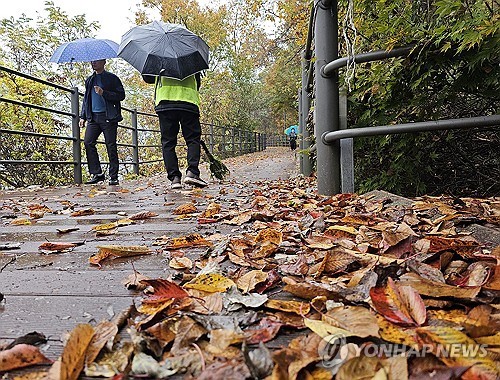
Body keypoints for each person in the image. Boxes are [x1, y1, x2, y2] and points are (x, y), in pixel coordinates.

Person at [143, 72, 207, 189]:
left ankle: (174, 178)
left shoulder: (158, 57)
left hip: (165, 102)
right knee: (193, 139)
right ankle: (192, 172)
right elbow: (197, 83)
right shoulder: (191, 56)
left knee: (168, 142)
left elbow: (148, 78)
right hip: (188, 102)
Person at [80, 59, 125, 186]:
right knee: (88, 142)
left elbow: (121, 95)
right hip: (93, 117)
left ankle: (114, 176)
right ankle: (97, 173)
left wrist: (104, 93)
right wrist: (83, 116)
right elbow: (86, 99)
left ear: (104, 62)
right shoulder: (89, 80)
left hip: (108, 116)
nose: (93, 63)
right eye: (92, 61)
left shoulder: (112, 78)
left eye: (96, 61)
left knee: (110, 145)